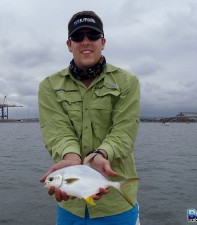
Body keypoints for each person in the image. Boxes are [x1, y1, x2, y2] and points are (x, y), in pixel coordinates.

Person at [38, 10, 140, 225]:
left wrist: (101, 154)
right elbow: (56, 130)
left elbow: (124, 130)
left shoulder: (128, 82)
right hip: (70, 208)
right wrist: (71, 157)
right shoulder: (49, 86)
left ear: (103, 42)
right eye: (78, 37)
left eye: (92, 36)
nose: (85, 42)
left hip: (116, 205)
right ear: (69, 44)